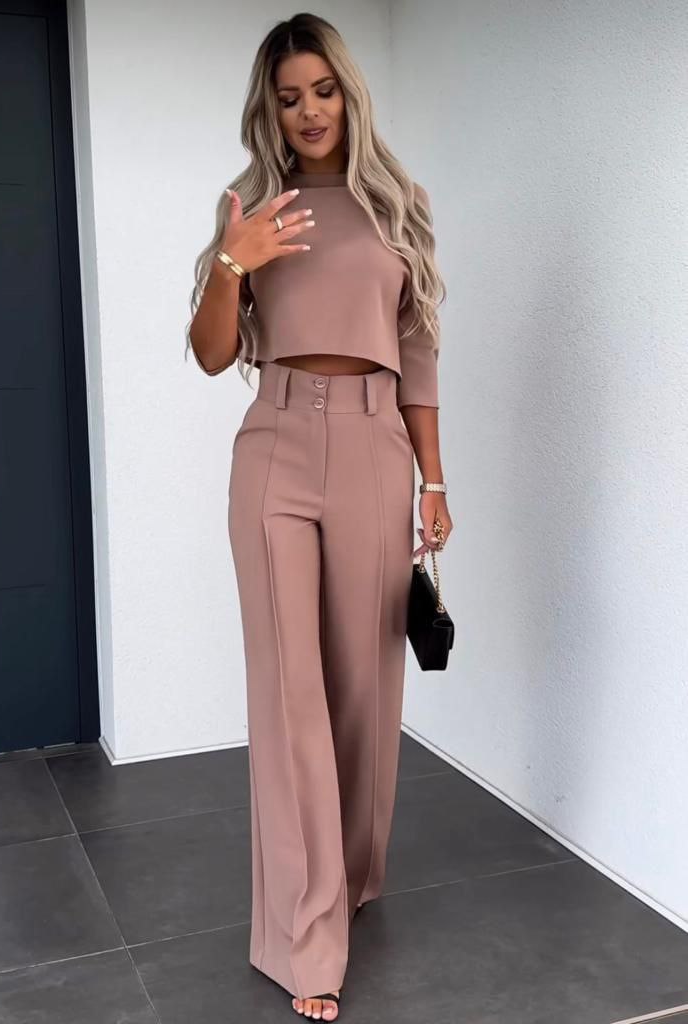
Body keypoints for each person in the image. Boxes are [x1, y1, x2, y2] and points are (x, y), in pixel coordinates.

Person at [186, 13, 453, 1020]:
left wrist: (433, 482)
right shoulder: (250, 206)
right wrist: (231, 262)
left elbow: (417, 353)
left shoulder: (399, 203)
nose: (308, 111)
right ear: (270, 108)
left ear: (348, 93)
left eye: (323, 91)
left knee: (361, 685)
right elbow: (213, 354)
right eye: (289, 97)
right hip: (276, 444)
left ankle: (351, 873)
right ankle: (306, 940)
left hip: (378, 446)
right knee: (289, 691)